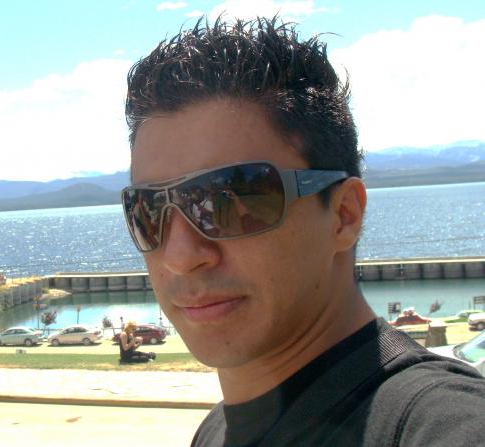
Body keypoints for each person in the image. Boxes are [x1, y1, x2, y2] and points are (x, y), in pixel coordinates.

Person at [122, 17, 485, 446]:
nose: (179, 257)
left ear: (343, 214)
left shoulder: (436, 423)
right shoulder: (215, 431)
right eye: (148, 210)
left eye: (230, 198)